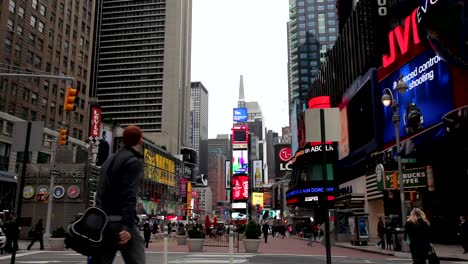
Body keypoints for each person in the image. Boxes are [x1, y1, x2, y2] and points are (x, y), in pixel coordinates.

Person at [92, 125, 145, 264]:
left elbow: (100, 192)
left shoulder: (109, 160)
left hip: (104, 223)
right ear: (140, 141)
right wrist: (127, 226)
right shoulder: (133, 162)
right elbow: (129, 194)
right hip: (121, 224)